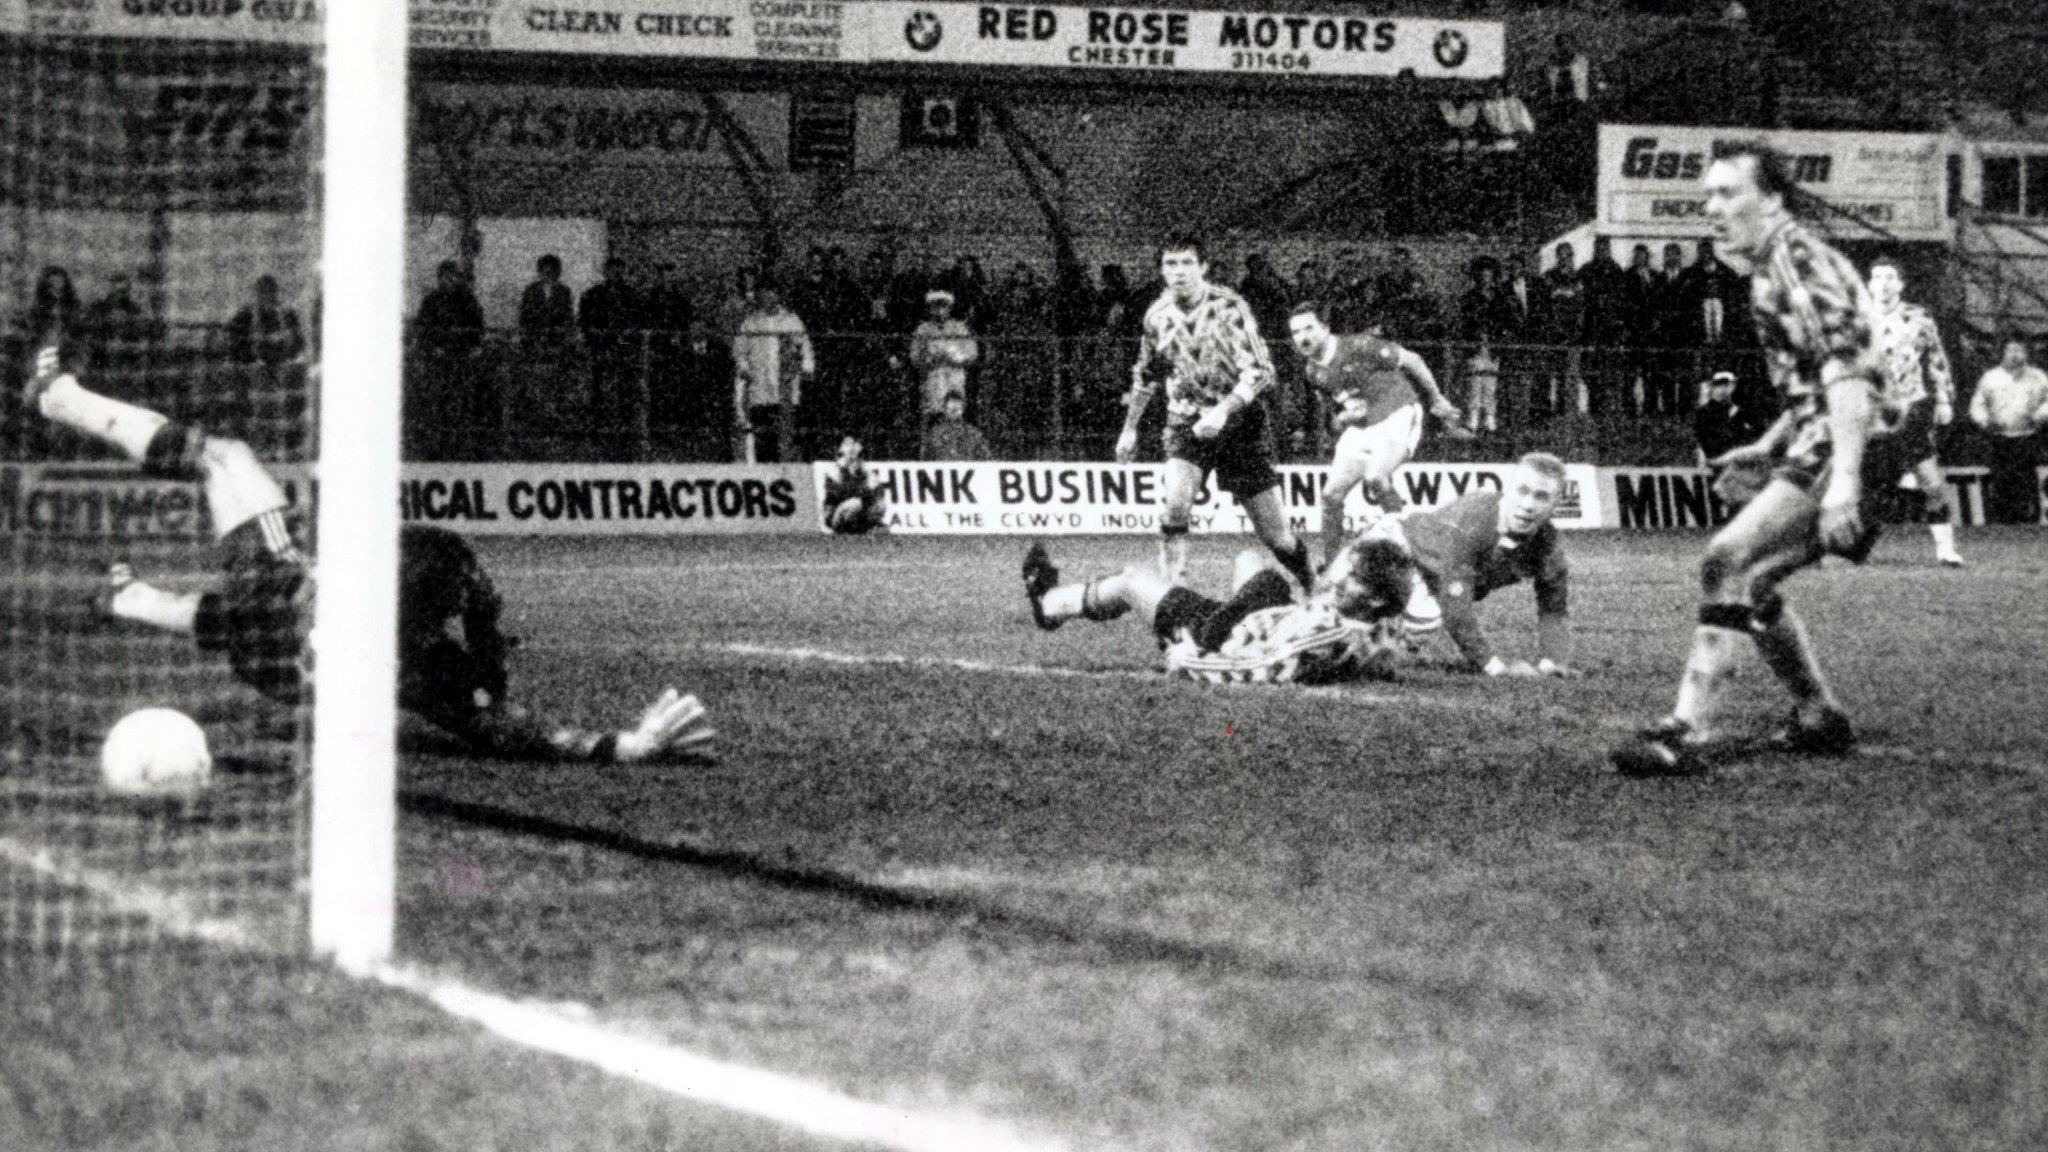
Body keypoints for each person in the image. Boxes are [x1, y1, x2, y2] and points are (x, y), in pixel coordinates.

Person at [23, 347, 713, 765]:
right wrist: (629, 744)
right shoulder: (429, 659)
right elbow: (513, 727)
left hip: (281, 618)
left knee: (223, 458)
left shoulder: (374, 602)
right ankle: (127, 598)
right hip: (287, 653)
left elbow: (501, 701)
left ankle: (59, 399)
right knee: (249, 596)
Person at [1611, 141, 1915, 778]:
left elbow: (1849, 376)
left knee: (1728, 558)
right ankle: (1817, 713)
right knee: (1754, 578)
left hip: (1855, 440)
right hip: (1825, 436)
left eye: (1727, 194)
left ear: (1772, 198)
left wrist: (1845, 487)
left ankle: (1690, 729)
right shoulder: (1774, 264)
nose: (1712, 209)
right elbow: (1816, 379)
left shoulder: (1797, 262)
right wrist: (1772, 443)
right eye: (1707, 197)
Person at [1116, 233, 1315, 591]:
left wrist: (1224, 410)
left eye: (1187, 263)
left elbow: (1262, 371)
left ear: (1203, 267)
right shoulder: (1156, 317)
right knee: (1175, 506)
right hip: (1186, 423)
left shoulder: (1230, 306)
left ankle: (1312, 581)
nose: (1179, 272)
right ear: (1161, 270)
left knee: (1277, 537)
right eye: (1170, 264)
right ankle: (1173, 602)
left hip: (1240, 426)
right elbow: (1146, 374)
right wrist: (1129, 429)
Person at [1020, 535, 1414, 685]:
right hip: (1260, 620)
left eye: (1351, 575)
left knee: (1130, 580)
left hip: (1218, 637)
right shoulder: (1376, 622)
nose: (1337, 578)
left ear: (1375, 597)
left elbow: (1255, 667)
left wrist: (1190, 657)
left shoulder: (1328, 633)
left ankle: (1049, 606)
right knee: (1252, 563)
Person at [1286, 300, 1462, 566]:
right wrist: (1344, 417)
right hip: (1363, 427)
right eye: (1296, 332)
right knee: (1331, 495)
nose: (1302, 337)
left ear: (1325, 327)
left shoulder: (1359, 346)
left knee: (1376, 478)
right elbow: (1338, 415)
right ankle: (1332, 566)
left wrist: (1437, 399)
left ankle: (1412, 550)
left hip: (1398, 411)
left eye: (1308, 328)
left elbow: (1412, 360)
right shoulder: (1312, 371)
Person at [1375, 452, 1575, 678]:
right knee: (1349, 609)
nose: (1528, 505)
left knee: (1413, 629)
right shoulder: (1475, 522)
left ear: (1555, 504)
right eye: (1522, 491)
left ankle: (1382, 635)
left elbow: (1554, 609)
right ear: (1508, 490)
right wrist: (1495, 667)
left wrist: (1552, 662)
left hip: (1432, 576)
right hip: (1396, 544)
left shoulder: (1549, 546)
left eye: (1541, 497)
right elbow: (1455, 610)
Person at [1868, 257, 1966, 566]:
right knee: (1861, 483)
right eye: (1877, 277)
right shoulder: (1857, 317)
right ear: (1870, 284)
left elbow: (1936, 359)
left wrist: (1944, 400)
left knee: (1932, 481)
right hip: (1871, 412)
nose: (1883, 283)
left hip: (1911, 407)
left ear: (1900, 284)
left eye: (1889, 277)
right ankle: (1834, 546)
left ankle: (1946, 549)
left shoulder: (1918, 318)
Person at [1968, 337, 2048, 525]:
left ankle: (2030, 523)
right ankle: (2003, 524)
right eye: (2010, 350)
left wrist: (2039, 415)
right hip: (1999, 439)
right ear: (2003, 353)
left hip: (2027, 437)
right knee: (2001, 481)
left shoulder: (2038, 377)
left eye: (2019, 350)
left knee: (2027, 481)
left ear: (2026, 353)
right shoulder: (1990, 377)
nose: (2014, 355)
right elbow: (1977, 405)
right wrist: (1985, 422)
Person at [733, 285, 812, 463]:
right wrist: (745, 369)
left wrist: (806, 369)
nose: (769, 299)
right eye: (765, 295)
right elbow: (740, 352)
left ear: (778, 295)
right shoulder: (751, 322)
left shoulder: (791, 321)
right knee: (762, 436)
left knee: (785, 436)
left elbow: (805, 349)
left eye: (773, 294)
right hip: (759, 390)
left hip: (784, 391)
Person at [225, 275, 307, 365]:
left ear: (276, 294)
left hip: (282, 366)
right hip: (251, 367)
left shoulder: (288, 316)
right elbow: (231, 341)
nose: (267, 297)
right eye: (263, 293)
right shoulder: (244, 317)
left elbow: (299, 344)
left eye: (270, 293)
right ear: (256, 295)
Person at [822, 436, 890, 534]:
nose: (851, 448)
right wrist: (865, 489)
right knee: (854, 503)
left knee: (880, 506)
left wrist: (874, 490)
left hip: (858, 508)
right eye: (847, 444)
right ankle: (844, 529)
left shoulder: (863, 468)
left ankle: (867, 527)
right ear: (841, 449)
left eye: (854, 444)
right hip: (835, 514)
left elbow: (878, 490)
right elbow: (839, 494)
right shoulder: (834, 470)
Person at [923, 390, 992, 461]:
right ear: (944, 409)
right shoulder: (934, 435)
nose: (954, 413)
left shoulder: (973, 434)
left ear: (963, 410)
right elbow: (925, 460)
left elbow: (985, 459)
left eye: (957, 410)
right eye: (952, 410)